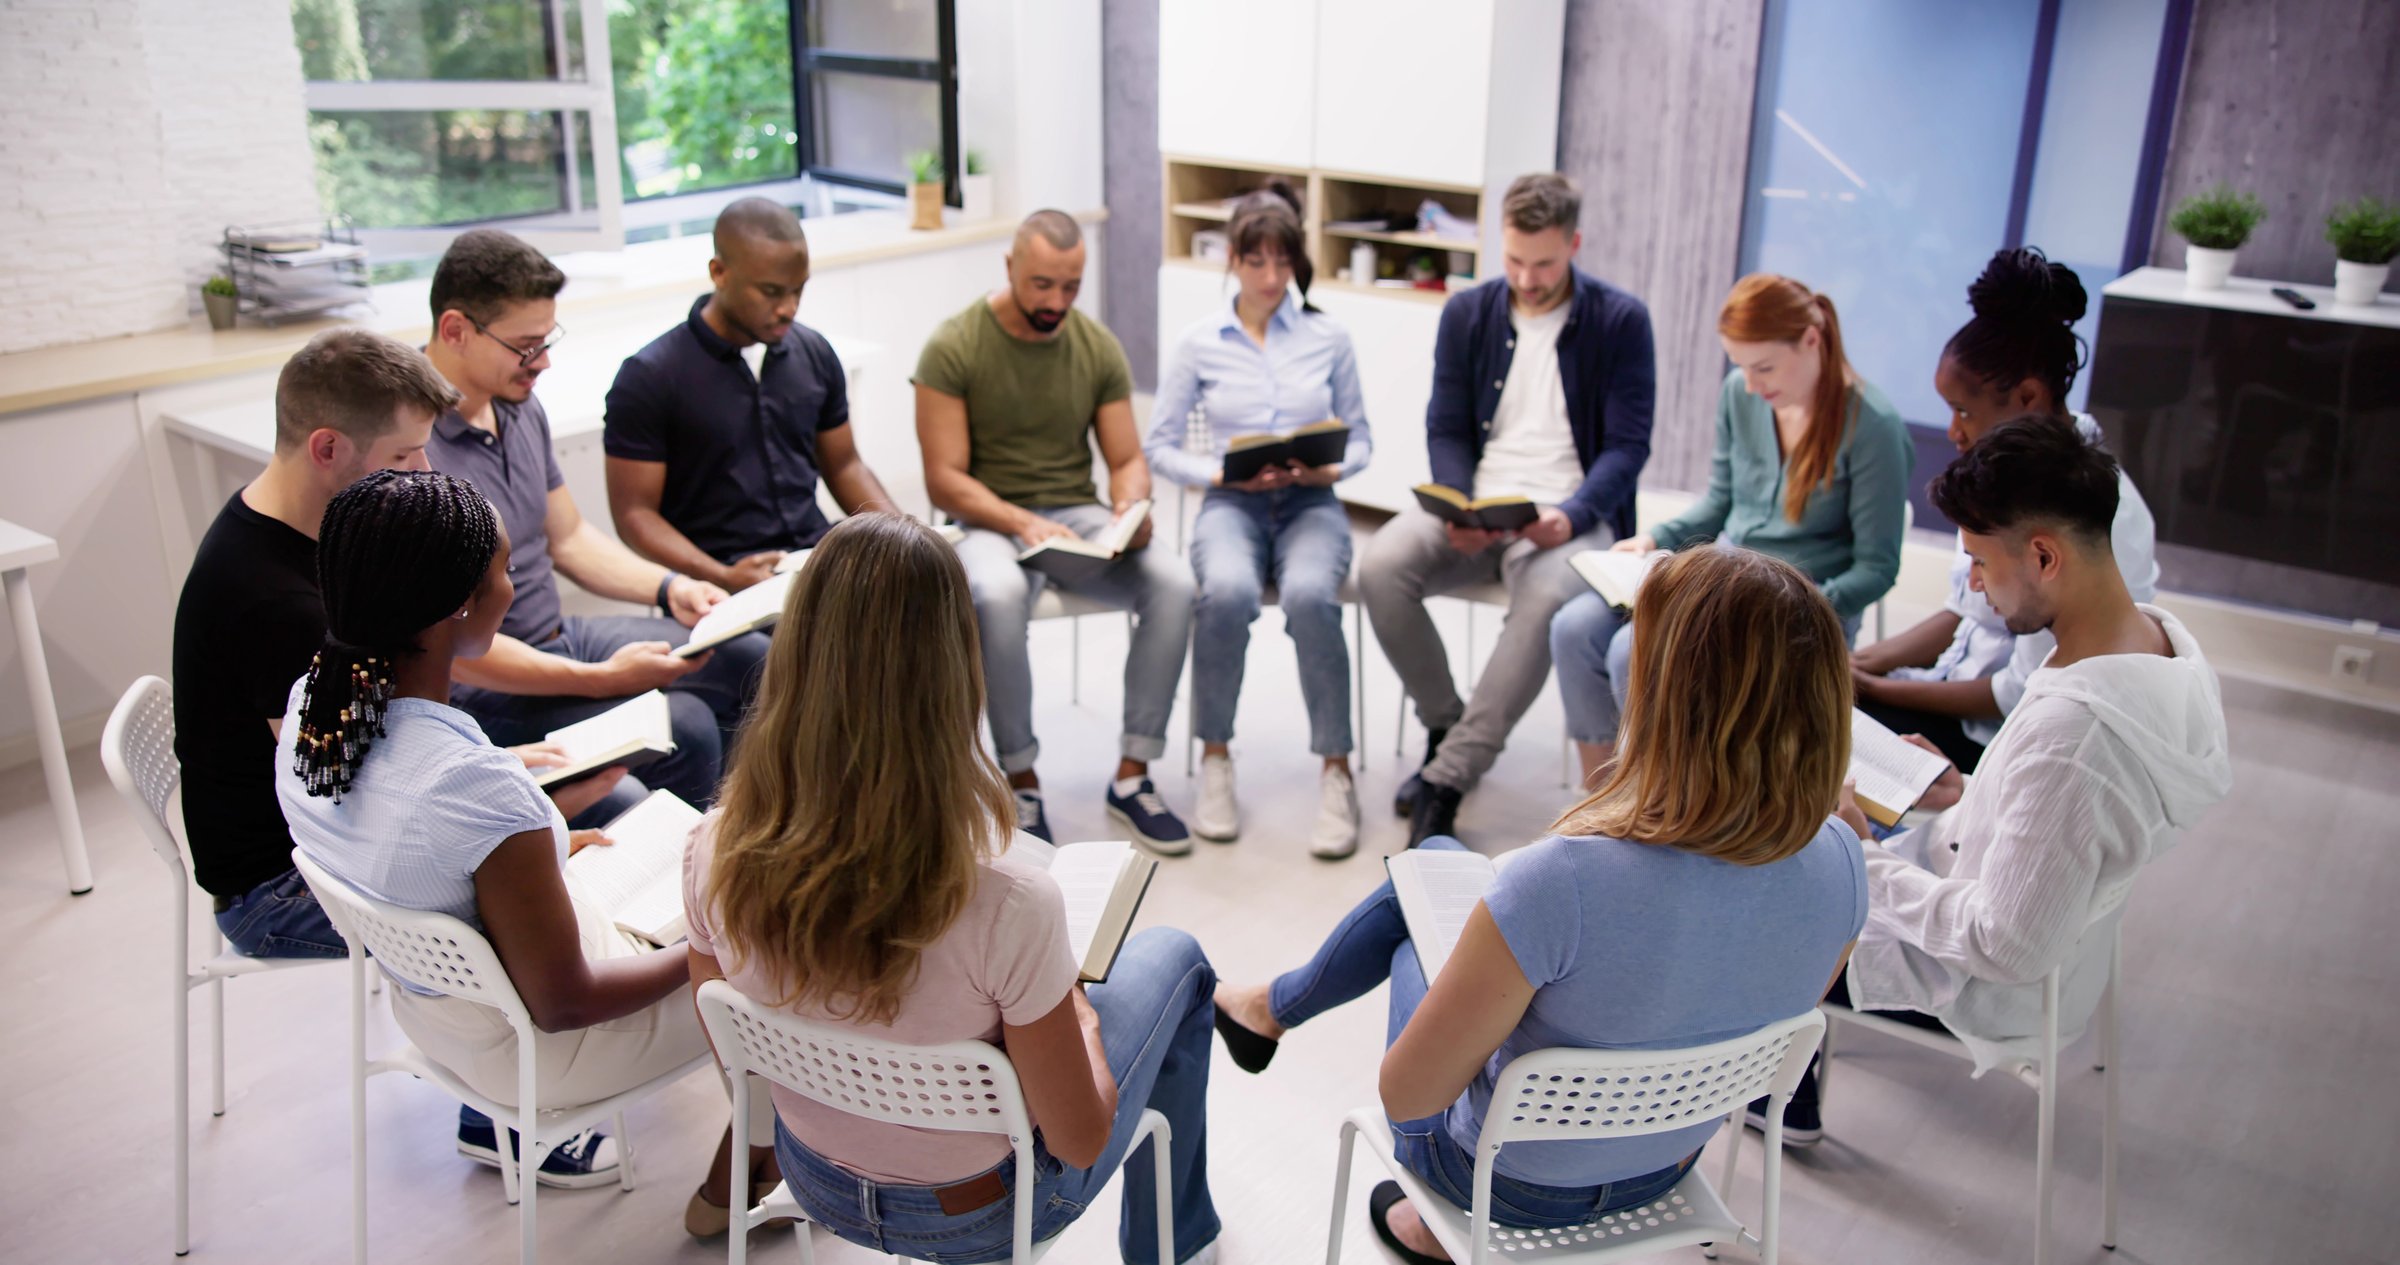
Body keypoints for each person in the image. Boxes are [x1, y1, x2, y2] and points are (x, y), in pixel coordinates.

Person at [1214, 545, 1864, 1263]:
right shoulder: (1842, 859)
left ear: (1664, 693)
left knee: (1418, 911)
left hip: (1506, 1184)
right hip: (1669, 1164)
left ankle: (1293, 1039)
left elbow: (1407, 1098)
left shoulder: (1566, 877)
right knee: (1435, 861)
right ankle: (1268, 1008)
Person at [684, 513, 1221, 1265]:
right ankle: (1180, 1240)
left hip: (815, 1177)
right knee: (1177, 959)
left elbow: (736, 1049)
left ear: (798, 655)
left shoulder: (712, 848)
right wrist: (1079, 1014)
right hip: (980, 1215)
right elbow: (1079, 1137)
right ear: (953, 668)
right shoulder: (1010, 904)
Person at [170, 329, 636, 1184]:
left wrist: (526, 795)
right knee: (602, 838)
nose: (421, 474)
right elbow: (372, 806)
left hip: (335, 842)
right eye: (407, 454)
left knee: (589, 810)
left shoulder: (330, 562)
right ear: (328, 447)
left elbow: (376, 769)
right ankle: (508, 1111)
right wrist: (525, 821)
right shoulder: (273, 601)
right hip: (288, 880)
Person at [275, 469, 777, 1235]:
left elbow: (416, 844)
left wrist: (537, 848)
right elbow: (564, 1002)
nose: (515, 588)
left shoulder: (315, 701)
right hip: (543, 1044)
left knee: (678, 849)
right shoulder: (467, 788)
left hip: (442, 1015)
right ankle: (745, 1175)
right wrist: (712, 949)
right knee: (782, 931)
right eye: (505, 571)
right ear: (458, 607)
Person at [1758, 416, 2231, 1146]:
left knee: (1756, 884)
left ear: (2043, 555)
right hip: (2055, 936)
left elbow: (2007, 946)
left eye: (1980, 561)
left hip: (1983, 982)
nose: (1973, 586)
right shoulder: (2159, 645)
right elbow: (2077, 817)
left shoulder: (2075, 735)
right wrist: (1971, 789)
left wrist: (1860, 856)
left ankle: (1763, 1098)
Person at [422, 228, 768, 812]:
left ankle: (743, 838)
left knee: (753, 660)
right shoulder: (411, 450)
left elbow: (570, 538)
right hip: (487, 683)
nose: (544, 361)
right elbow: (453, 648)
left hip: (559, 636)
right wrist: (602, 678)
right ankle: (688, 874)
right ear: (455, 330)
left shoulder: (518, 404)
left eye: (547, 339)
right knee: (682, 721)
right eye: (527, 346)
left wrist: (670, 587)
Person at [1359, 172, 1657, 846]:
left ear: (1575, 243)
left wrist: (1573, 516)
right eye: (1514, 260)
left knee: (1549, 598)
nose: (1526, 278)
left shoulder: (1621, 320)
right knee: (1381, 566)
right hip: (1484, 501)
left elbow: (1628, 447)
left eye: (1545, 263)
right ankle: (1447, 720)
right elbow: (1446, 427)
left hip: (1571, 516)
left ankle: (1448, 776)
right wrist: (1460, 504)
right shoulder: (1468, 312)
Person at [1550, 273, 1912, 787]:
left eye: (1763, 366)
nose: (1751, 383)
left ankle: (1661, 801)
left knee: (1633, 648)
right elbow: (1719, 502)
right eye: (1739, 366)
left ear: (1812, 340)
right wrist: (1654, 540)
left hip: (1804, 603)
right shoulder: (1741, 395)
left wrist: (1793, 607)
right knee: (1573, 628)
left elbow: (1877, 567)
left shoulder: (1872, 425)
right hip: (1725, 574)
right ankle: (1605, 796)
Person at [917, 209, 1196, 852]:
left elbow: (1126, 459)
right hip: (985, 518)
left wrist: (1131, 508)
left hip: (1072, 512)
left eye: (1071, 286)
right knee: (997, 594)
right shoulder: (954, 345)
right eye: (1042, 284)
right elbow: (944, 479)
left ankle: (1132, 775)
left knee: (1175, 581)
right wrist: (1019, 522)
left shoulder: (1094, 345)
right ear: (1010, 267)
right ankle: (1020, 779)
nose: (1056, 302)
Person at [1850, 248, 2159, 772]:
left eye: (1964, 411)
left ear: (2029, 397)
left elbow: (2021, 693)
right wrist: (1861, 665)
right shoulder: (1999, 473)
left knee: (1815, 730)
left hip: (2007, 739)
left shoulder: (2099, 516)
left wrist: (1877, 689)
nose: (1953, 432)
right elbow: (1966, 614)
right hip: (1953, 688)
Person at [1145, 179, 1373, 858]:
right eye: (1256, 262)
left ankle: (1337, 768)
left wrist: (1330, 469)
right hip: (1232, 504)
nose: (1271, 278)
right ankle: (1216, 757)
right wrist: (1218, 472)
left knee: (1309, 595)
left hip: (1310, 503)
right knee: (1228, 592)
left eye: (1283, 263)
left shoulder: (1329, 336)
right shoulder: (1198, 343)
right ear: (1234, 263)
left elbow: (1362, 437)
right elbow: (1159, 444)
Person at [604, 197, 898, 592]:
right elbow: (634, 515)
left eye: (799, 291)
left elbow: (845, 466)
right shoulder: (650, 376)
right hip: (715, 581)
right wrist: (719, 575)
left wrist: (903, 536)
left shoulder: (813, 352)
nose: (789, 309)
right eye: (772, 292)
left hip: (811, 561)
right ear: (719, 272)